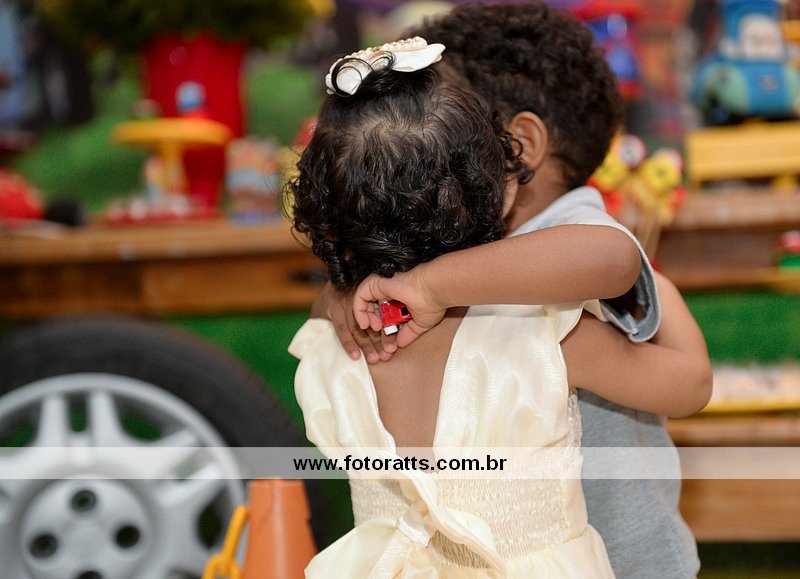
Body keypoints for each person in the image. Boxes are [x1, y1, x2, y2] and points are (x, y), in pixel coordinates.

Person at [288, 36, 712, 577]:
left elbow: (326, 307)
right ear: (505, 189)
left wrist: (345, 290)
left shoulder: (333, 339)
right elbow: (689, 383)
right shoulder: (541, 335)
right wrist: (664, 293)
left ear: (325, 220)